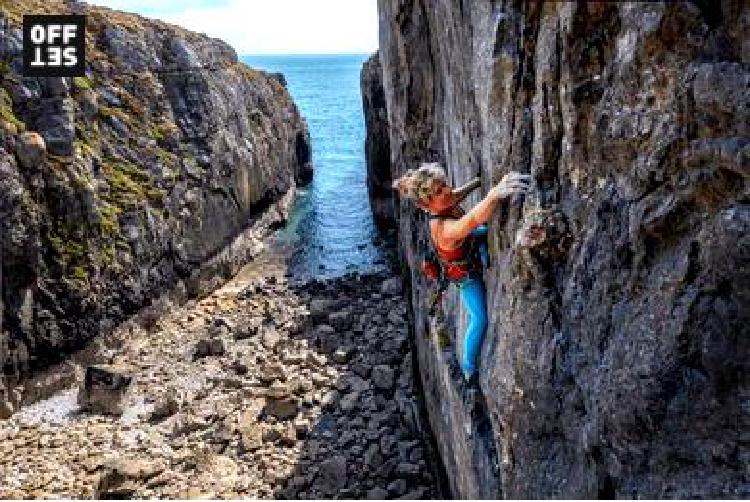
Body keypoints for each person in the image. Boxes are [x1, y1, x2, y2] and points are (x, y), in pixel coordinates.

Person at [392, 163, 531, 382]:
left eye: (444, 185)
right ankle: (468, 366)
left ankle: (484, 251)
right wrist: (494, 193)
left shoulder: (442, 203)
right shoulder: (444, 230)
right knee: (479, 318)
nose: (446, 191)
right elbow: (472, 220)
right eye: (438, 191)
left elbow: (457, 194)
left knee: (481, 233)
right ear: (427, 204)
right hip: (466, 277)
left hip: (470, 247)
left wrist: (477, 183)